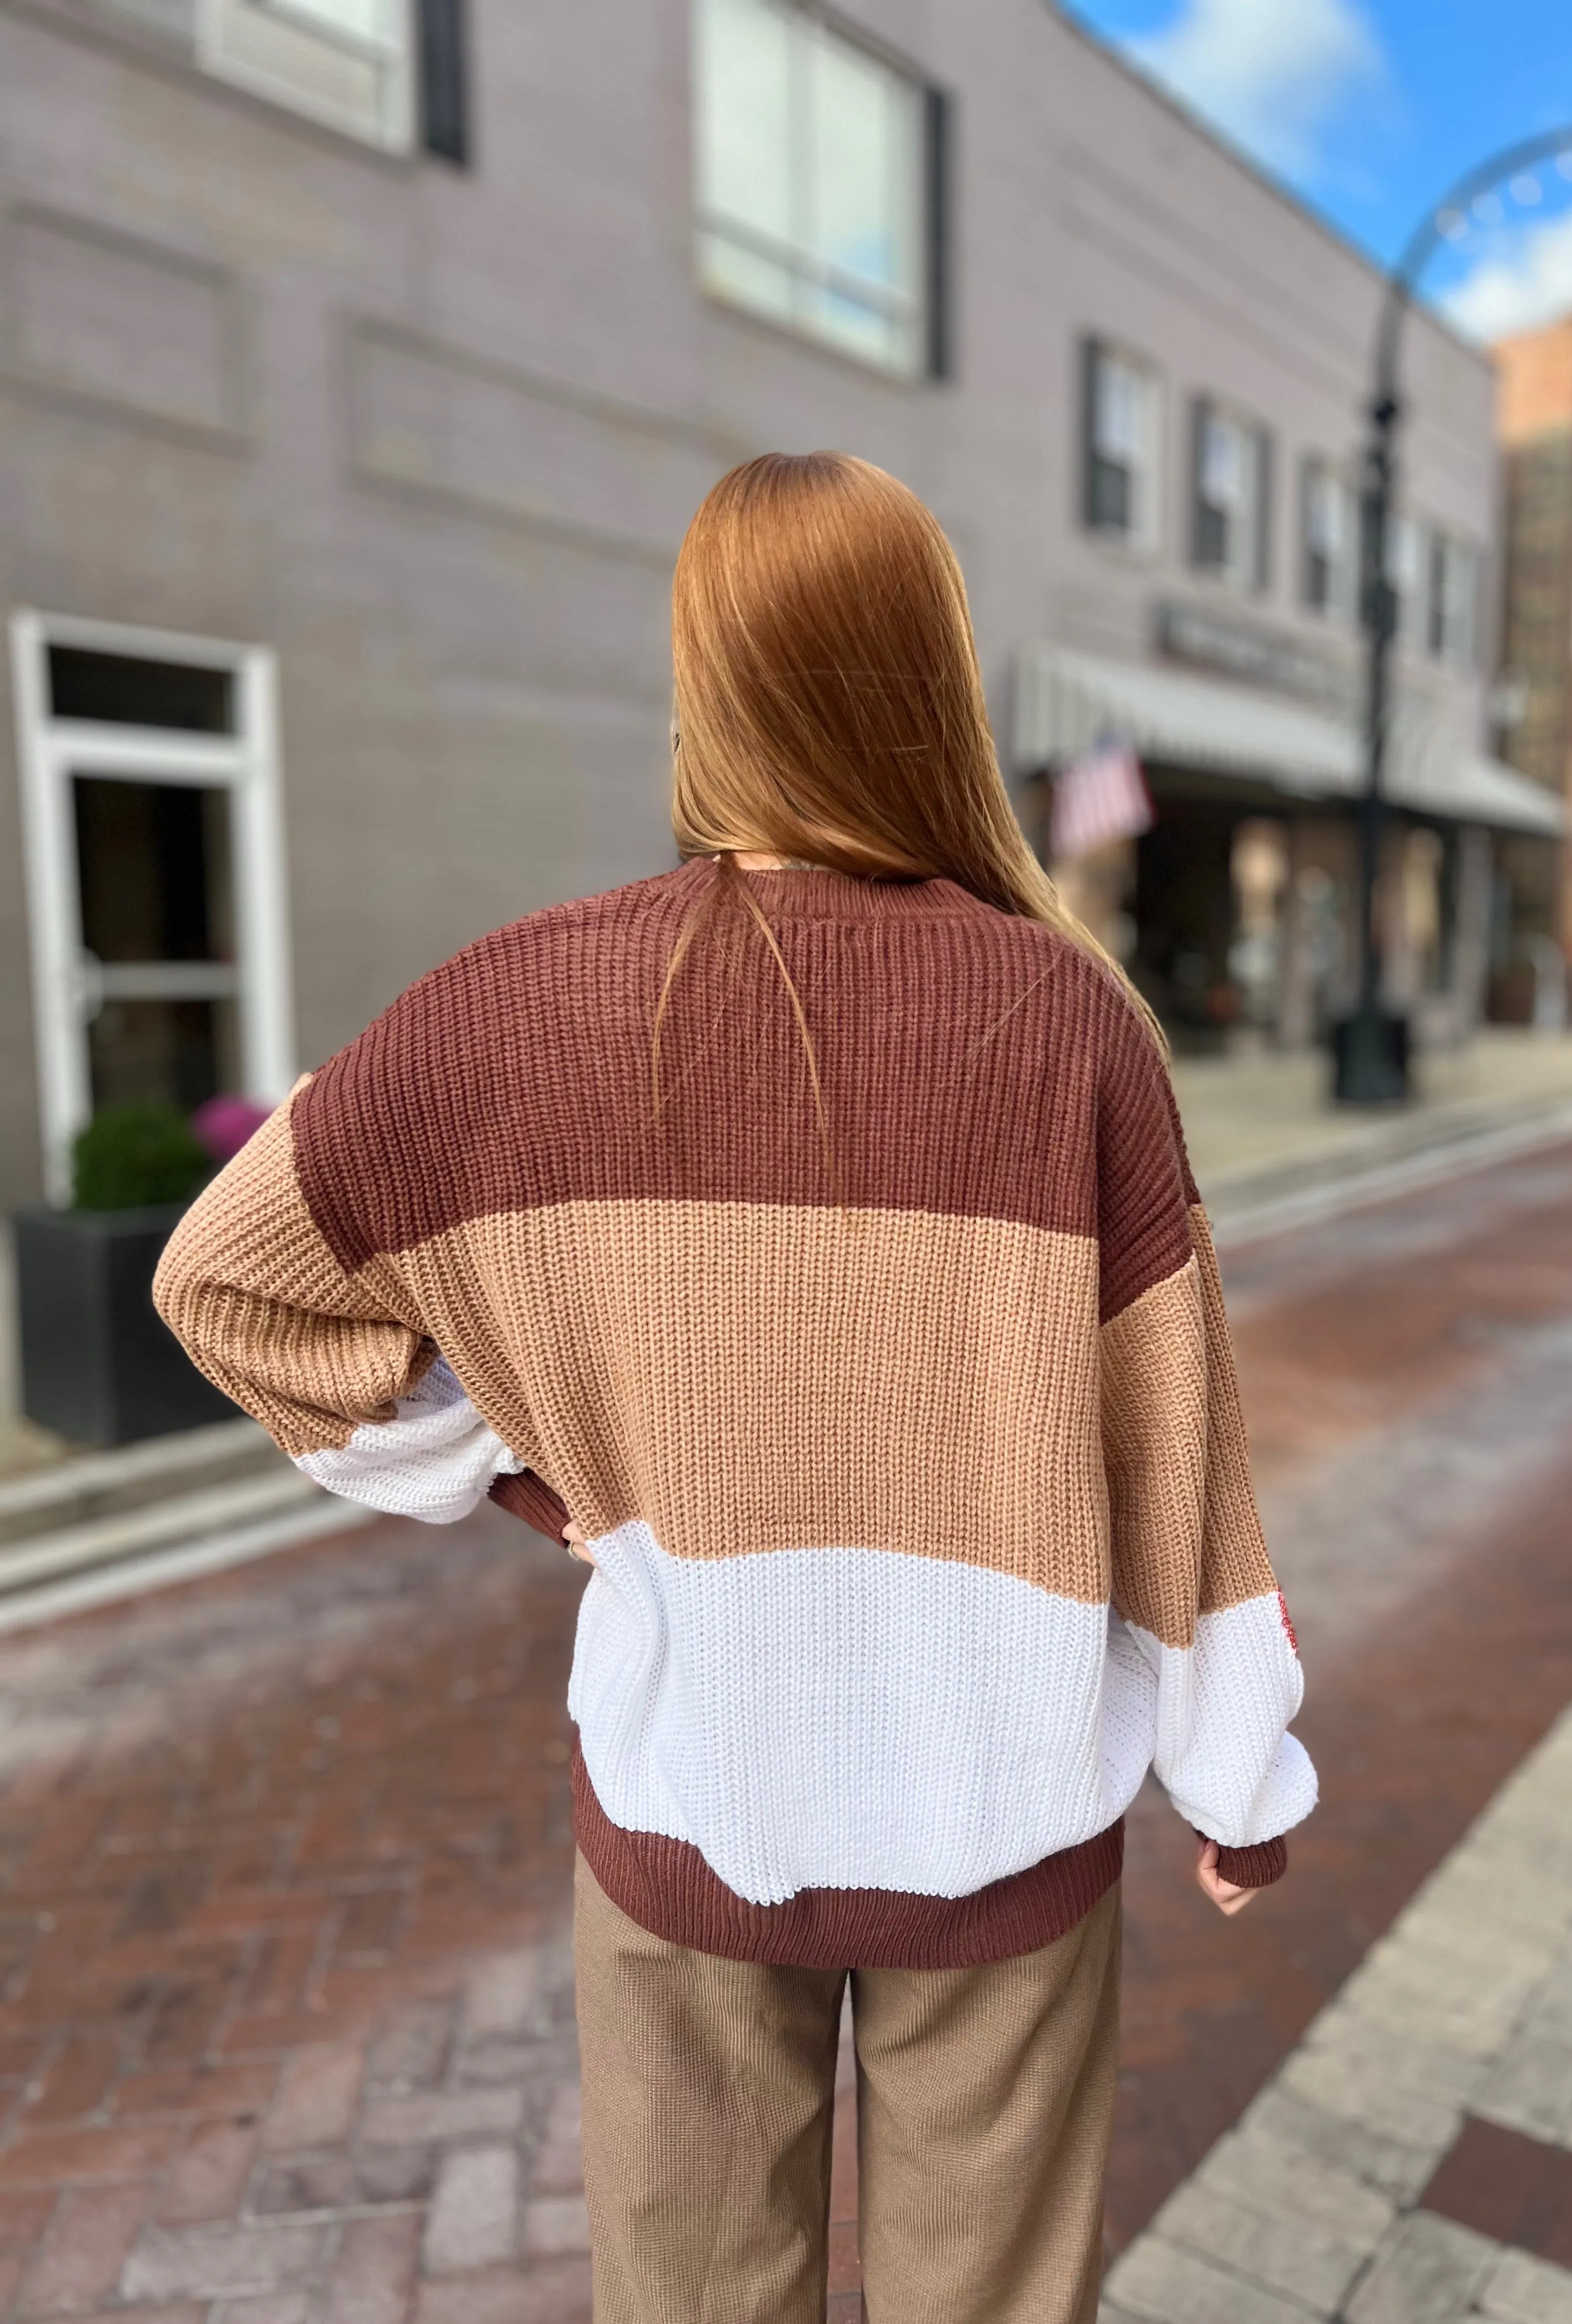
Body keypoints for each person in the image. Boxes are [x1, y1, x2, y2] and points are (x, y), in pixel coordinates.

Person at [155, 451, 1316, 2324]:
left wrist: (518, 1473)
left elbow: (231, 1284)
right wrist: (1236, 1775)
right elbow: (1175, 1452)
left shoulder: (514, 1011)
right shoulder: (1067, 1021)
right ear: (931, 682)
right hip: (1002, 1821)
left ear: (706, 683)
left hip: (692, 1803)